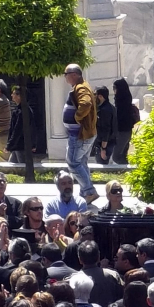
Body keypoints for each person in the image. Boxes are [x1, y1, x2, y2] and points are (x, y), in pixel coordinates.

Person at [62, 64, 99, 203]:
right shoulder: (81, 86)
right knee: (81, 163)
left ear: (74, 74)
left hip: (80, 135)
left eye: (66, 74)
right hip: (84, 134)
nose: (65, 77)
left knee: (73, 163)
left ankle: (89, 191)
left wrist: (77, 117)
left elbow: (86, 103)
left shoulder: (81, 87)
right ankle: (85, 193)